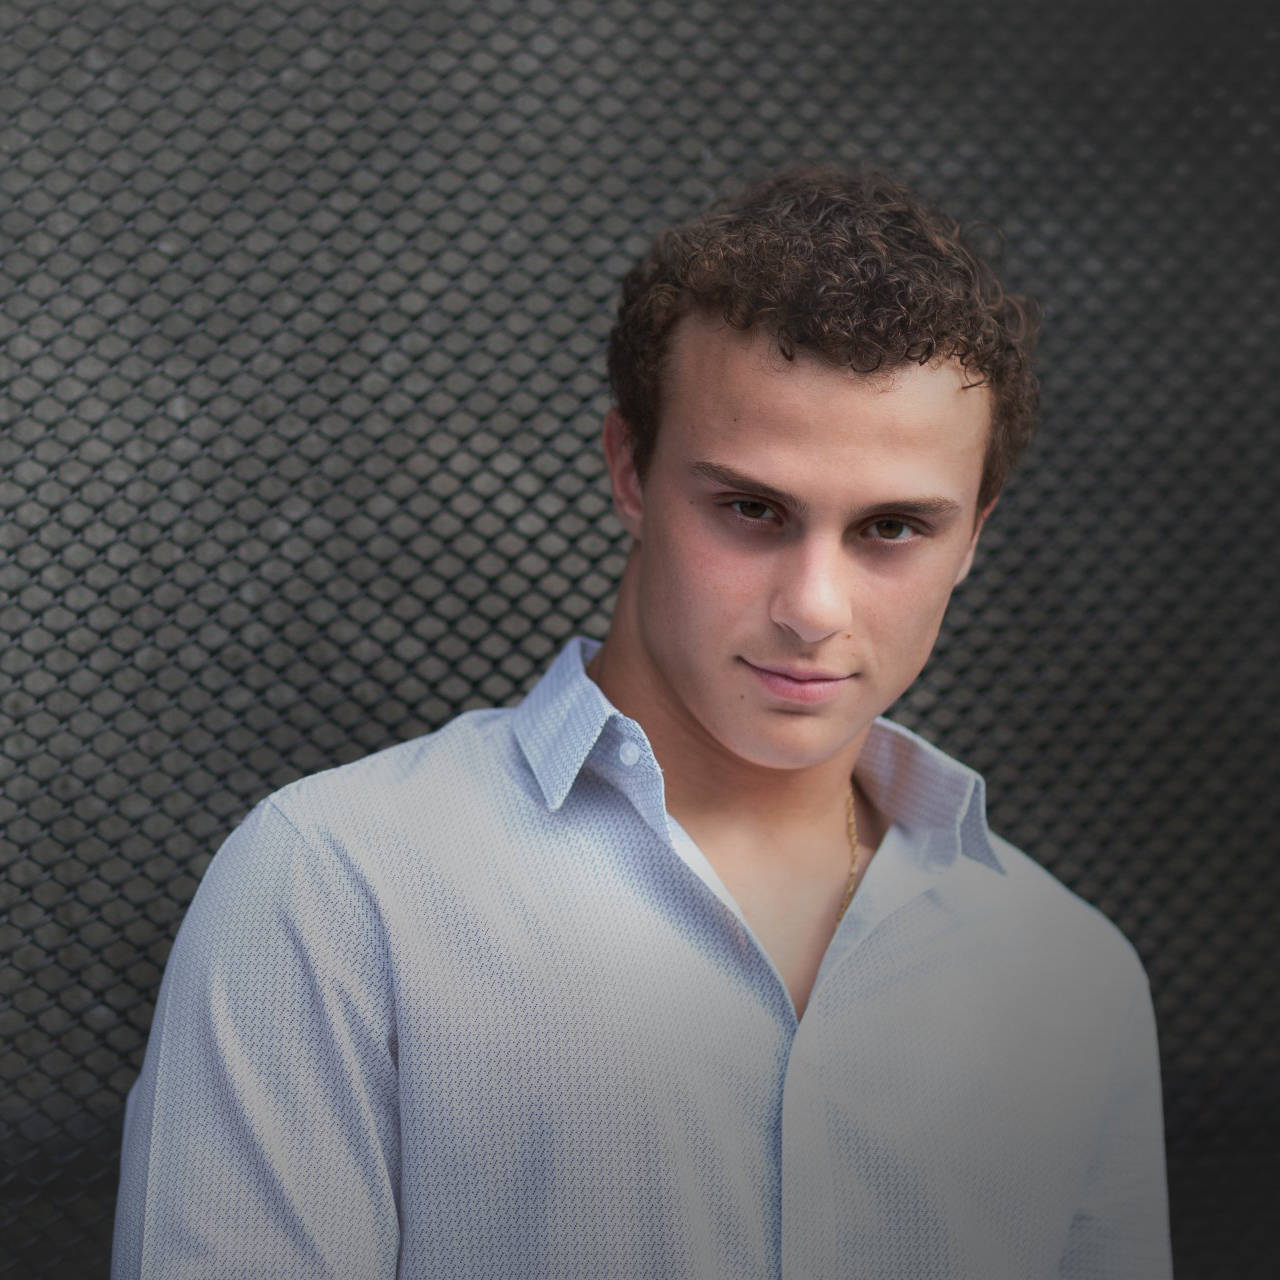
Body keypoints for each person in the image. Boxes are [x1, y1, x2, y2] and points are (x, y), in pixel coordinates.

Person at [112, 167, 1173, 1279]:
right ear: (628, 470)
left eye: (892, 528)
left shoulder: (1069, 975)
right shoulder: (335, 886)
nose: (813, 607)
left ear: (971, 538)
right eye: (751, 509)